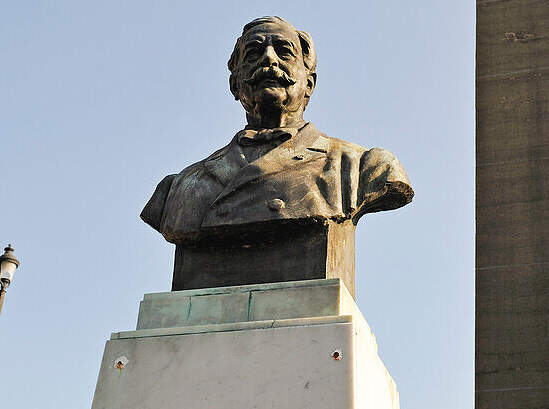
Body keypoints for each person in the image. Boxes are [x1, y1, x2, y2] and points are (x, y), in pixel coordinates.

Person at [141, 16, 413, 243]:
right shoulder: (180, 188)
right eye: (254, 53)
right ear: (235, 86)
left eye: (284, 51)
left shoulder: (361, 167)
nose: (268, 59)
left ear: (309, 84)